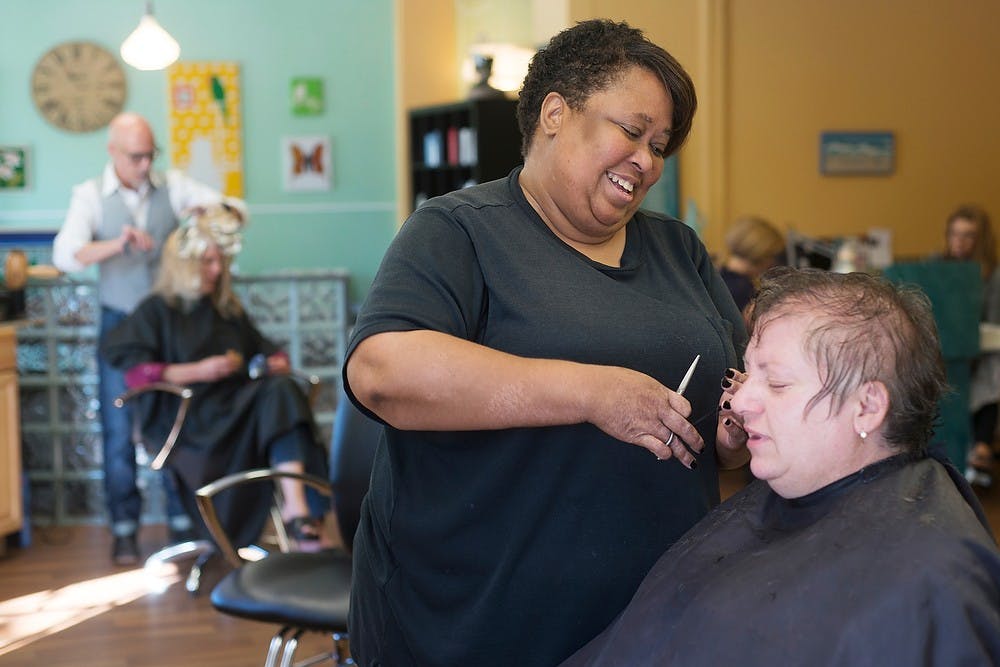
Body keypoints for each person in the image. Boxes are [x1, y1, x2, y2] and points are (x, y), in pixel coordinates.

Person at [343, 19, 749, 667]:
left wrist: (735, 435)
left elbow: (731, 409)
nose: (648, 160)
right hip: (476, 627)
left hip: (648, 622)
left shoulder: (680, 250)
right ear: (556, 113)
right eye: (632, 131)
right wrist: (590, 391)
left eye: (661, 144)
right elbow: (382, 372)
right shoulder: (459, 232)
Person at [562, 268, 1000, 666]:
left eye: (777, 382)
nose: (739, 401)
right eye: (748, 375)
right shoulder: (794, 491)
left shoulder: (928, 591)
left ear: (866, 407)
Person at [52, 112, 247, 565]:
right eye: (136, 156)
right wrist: (116, 244)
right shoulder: (89, 197)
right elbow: (67, 255)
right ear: (113, 152)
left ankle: (182, 522)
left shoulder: (173, 186)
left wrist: (212, 212)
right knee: (119, 433)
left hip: (168, 326)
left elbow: (233, 209)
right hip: (121, 327)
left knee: (175, 421)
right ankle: (124, 530)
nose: (145, 165)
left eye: (150, 155)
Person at [101, 204, 330, 551]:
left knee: (281, 388)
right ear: (184, 264)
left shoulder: (227, 309)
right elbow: (133, 372)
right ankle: (298, 515)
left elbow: (264, 346)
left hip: (234, 410)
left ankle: (297, 509)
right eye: (207, 261)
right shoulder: (158, 310)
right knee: (278, 400)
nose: (217, 269)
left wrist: (275, 361)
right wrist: (197, 371)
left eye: (220, 261)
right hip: (189, 418)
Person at [941, 205, 1000, 487]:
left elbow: (993, 326)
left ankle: (981, 446)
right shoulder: (938, 269)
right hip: (946, 351)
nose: (959, 242)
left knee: (992, 370)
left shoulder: (994, 276)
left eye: (968, 235)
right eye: (955, 234)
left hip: (982, 354)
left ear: (981, 239)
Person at [718, 215, 785, 315]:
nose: (772, 263)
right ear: (762, 255)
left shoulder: (715, 274)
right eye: (772, 256)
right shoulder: (743, 291)